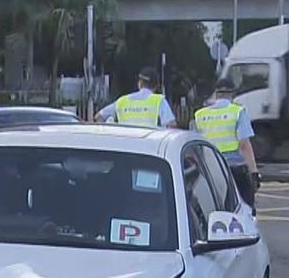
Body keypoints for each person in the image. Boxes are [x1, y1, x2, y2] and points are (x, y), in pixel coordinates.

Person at [193, 76, 260, 207]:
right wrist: (254, 172)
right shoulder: (238, 112)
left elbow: (195, 145)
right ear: (232, 94)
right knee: (244, 207)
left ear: (216, 94)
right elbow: (244, 144)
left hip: (210, 169)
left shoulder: (199, 115)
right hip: (234, 169)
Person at [97, 67, 178, 128]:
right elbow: (171, 125)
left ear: (140, 83)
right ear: (156, 86)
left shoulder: (122, 101)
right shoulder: (159, 101)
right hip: (150, 147)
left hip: (125, 145)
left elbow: (99, 117)